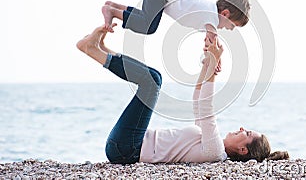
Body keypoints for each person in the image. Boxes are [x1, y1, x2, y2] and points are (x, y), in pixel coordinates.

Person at [76, 24, 288, 164]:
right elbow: (198, 99)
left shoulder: (215, 151)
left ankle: (93, 50)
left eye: (247, 133)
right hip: (126, 145)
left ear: (243, 150)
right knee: (154, 78)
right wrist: (208, 64)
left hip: (127, 149)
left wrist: (214, 62)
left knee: (153, 81)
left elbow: (206, 107)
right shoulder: (209, 143)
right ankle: (102, 49)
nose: (242, 129)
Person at [101, 0, 251, 43]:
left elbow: (210, 33)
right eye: (232, 25)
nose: (230, 29)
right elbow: (212, 37)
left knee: (146, 18)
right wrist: (216, 58)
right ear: (225, 13)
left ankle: (114, 6)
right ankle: (112, 11)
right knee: (148, 26)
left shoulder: (208, 12)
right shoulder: (211, 14)